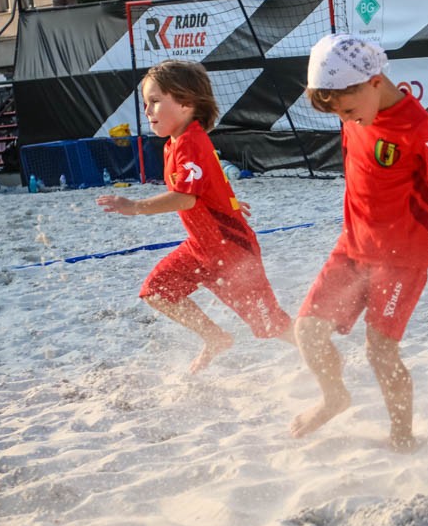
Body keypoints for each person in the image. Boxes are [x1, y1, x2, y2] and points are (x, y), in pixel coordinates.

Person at [291, 34, 428, 452]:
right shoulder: (356, 107)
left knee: (380, 352)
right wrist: (347, 113)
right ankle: (334, 398)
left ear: (374, 82)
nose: (348, 120)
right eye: (340, 114)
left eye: (348, 111)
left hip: (400, 260)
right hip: (351, 248)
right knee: (308, 332)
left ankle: (402, 436)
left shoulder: (420, 129)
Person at [97, 60, 294, 373]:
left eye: (155, 101)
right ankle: (215, 337)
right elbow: (207, 182)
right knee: (157, 291)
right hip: (201, 247)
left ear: (186, 103)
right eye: (146, 103)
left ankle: (322, 349)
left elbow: (186, 198)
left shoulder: (190, 141)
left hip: (231, 253)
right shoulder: (175, 143)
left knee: (272, 325)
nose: (147, 111)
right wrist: (227, 203)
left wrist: (135, 206)